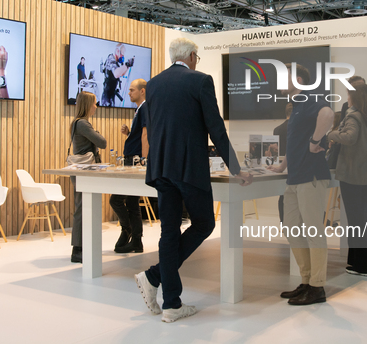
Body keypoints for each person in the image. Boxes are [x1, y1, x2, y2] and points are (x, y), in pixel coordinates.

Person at [134, 38, 253, 323]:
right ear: (190, 56)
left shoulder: (154, 84)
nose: (197, 60)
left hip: (161, 168)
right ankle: (154, 278)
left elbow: (154, 128)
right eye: (196, 56)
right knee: (204, 224)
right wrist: (236, 168)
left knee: (169, 233)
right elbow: (216, 128)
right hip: (188, 168)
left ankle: (171, 302)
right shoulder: (200, 81)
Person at [269, 63, 333, 305]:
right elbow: (296, 141)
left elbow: (328, 115)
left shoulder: (309, 99)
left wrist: (316, 141)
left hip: (312, 176)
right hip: (295, 177)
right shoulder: (297, 105)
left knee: (313, 231)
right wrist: (282, 166)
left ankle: (317, 287)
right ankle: (306, 280)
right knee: (292, 227)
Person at [328, 83, 367, 276]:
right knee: (361, 219)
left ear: (353, 97)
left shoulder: (353, 116)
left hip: (352, 174)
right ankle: (356, 261)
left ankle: (362, 265)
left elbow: (349, 138)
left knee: (355, 220)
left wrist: (330, 134)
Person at [339, 75, 367, 251]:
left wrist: (331, 135)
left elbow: (348, 135)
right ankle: (359, 250)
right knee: (356, 211)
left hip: (364, 163)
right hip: (355, 163)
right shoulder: (346, 108)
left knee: (363, 207)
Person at [109, 79, 148, 254]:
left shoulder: (145, 108)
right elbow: (140, 134)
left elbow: (146, 135)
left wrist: (144, 159)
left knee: (116, 199)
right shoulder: (139, 109)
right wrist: (130, 133)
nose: (129, 92)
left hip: (135, 160)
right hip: (133, 158)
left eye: (132, 90)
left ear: (142, 91)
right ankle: (136, 241)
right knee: (132, 202)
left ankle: (127, 229)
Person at [69, 91, 107, 263]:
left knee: (82, 207)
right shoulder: (83, 124)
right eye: (94, 103)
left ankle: (80, 247)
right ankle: (78, 249)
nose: (96, 106)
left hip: (80, 169)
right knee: (82, 208)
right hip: (85, 170)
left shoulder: (77, 123)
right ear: (87, 104)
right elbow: (103, 142)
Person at [273, 102, 293, 222]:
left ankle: (283, 221)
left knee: (283, 194)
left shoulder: (277, 129)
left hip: (281, 164)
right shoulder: (297, 127)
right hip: (295, 165)